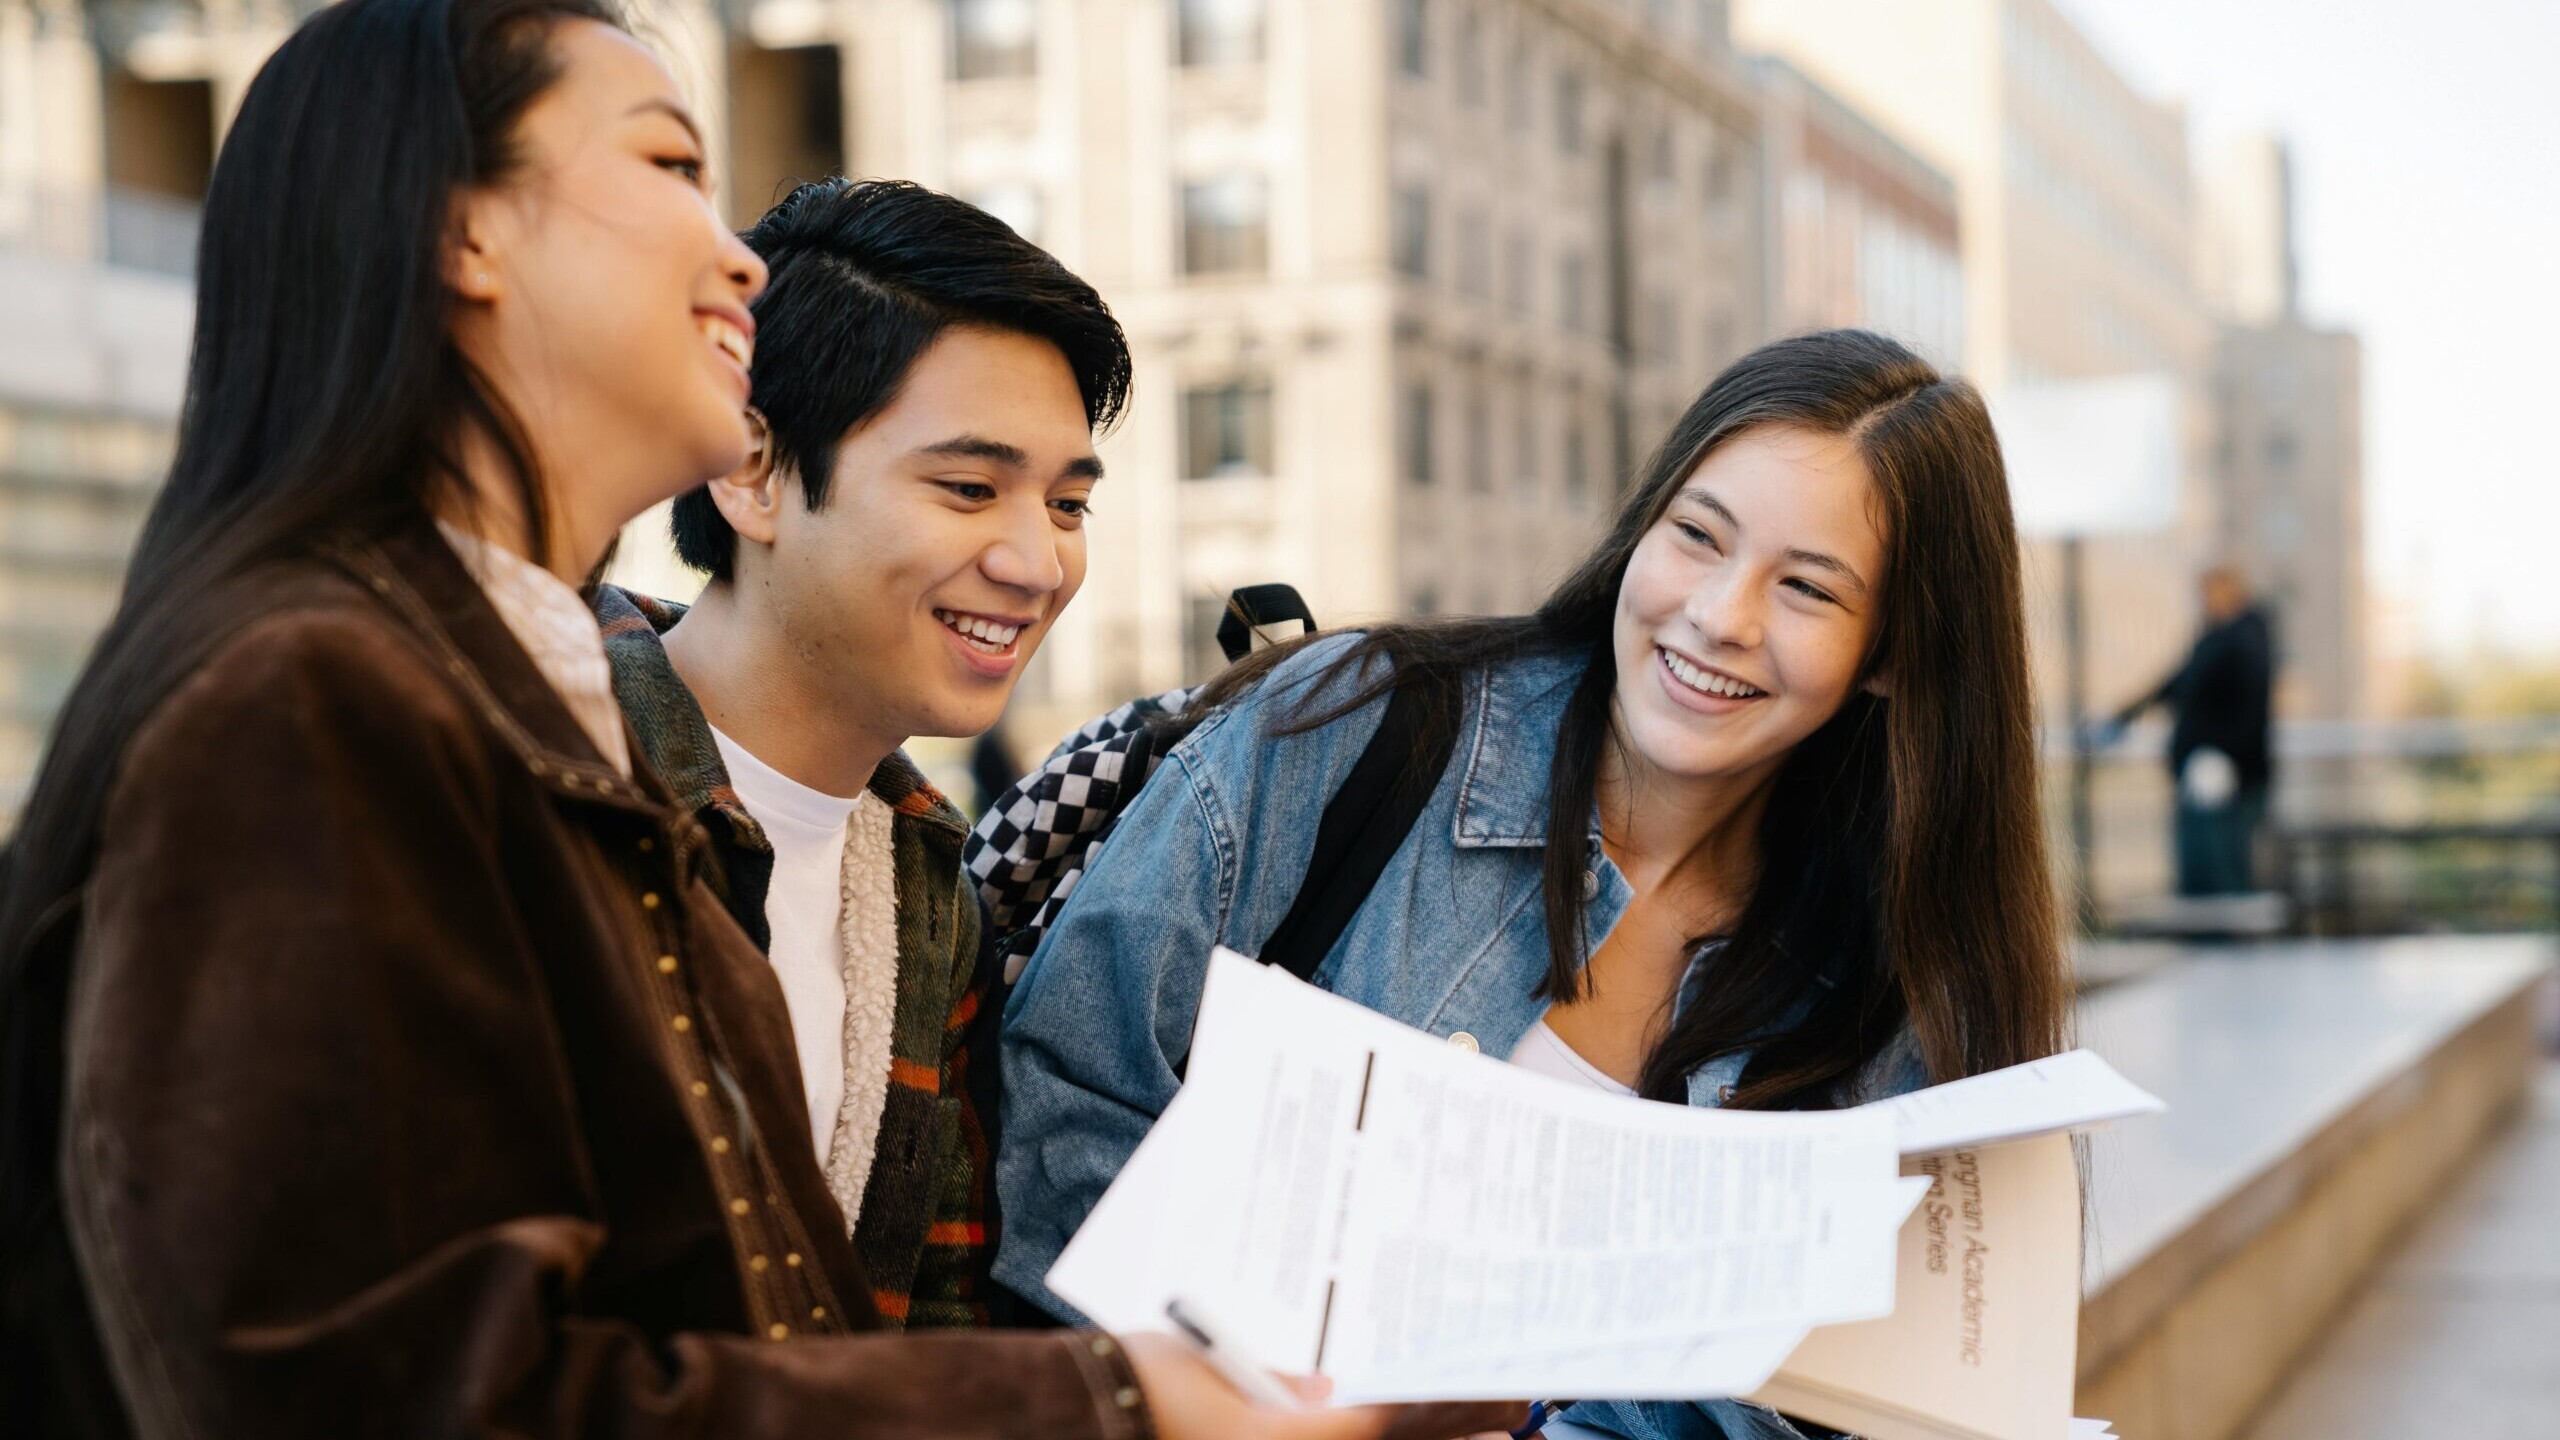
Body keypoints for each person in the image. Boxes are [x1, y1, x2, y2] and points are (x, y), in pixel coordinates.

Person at [0, 4, 1514, 1437]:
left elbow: (817, 1343)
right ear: (460, 229)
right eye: (668, 167)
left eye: (1064, 502)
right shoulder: (321, 699)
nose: (736, 259)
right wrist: (1122, 1405)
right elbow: (397, 1394)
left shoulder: (835, 845)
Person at [998, 330, 2072, 1440]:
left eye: (1805, 588)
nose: (1718, 615)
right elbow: (1070, 1088)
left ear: (1891, 653)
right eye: (1696, 537)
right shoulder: (1354, 726)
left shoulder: (1885, 990)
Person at [595, 176, 1124, 1331]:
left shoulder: (932, 894)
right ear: (751, 471)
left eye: (1069, 505)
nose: (1036, 562)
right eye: (970, 489)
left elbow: (924, 1333)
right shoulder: (554, 772)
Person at [2108, 566, 2276, 896]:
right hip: (2206, 774)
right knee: (2202, 870)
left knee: (2221, 872)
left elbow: (2250, 712)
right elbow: (2174, 683)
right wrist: (2123, 716)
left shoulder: (2244, 642)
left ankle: (2224, 943)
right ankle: (2211, 939)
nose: (2204, 601)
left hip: (2224, 779)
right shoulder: (2214, 639)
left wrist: (2228, 759)